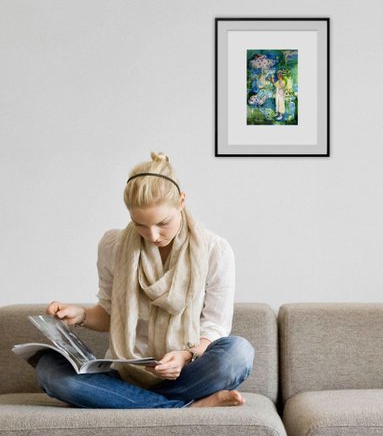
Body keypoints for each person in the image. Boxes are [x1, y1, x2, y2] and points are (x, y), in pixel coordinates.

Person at [34, 152, 255, 409]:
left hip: (186, 373)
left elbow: (215, 327)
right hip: (124, 374)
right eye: (139, 224)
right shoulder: (113, 246)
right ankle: (184, 408)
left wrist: (184, 356)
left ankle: (131, 403)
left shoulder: (214, 250)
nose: (152, 235)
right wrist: (80, 314)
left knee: (238, 354)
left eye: (163, 223)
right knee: (48, 370)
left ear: (182, 201)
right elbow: (110, 314)